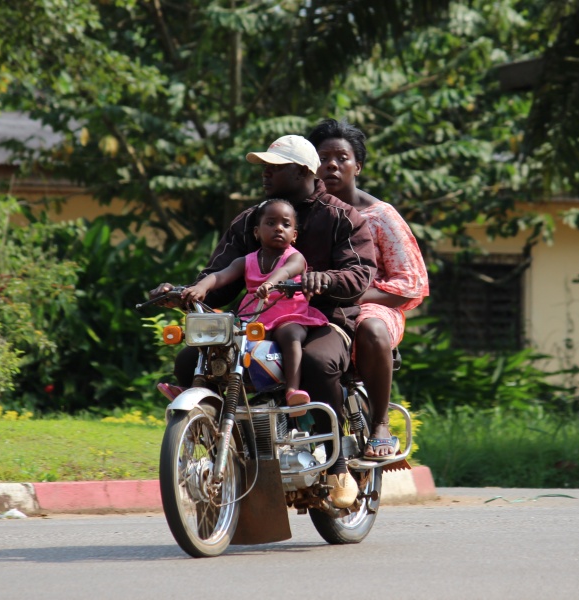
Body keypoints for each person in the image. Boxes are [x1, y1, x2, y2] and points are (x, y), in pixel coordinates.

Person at [151, 134, 376, 508]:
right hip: (257, 319)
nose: (264, 174)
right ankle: (228, 446)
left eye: (274, 167)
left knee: (317, 362)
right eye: (263, 168)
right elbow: (219, 276)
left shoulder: (342, 217)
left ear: (301, 171)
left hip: (323, 319)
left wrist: (324, 279)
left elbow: (360, 275)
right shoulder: (250, 220)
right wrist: (187, 292)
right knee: (191, 359)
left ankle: (337, 467)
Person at [308, 119, 429, 460]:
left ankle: (380, 425)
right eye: (323, 158)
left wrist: (351, 294)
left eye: (341, 158)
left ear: (357, 166)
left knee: (372, 328)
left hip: (372, 305)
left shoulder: (380, 215)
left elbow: (409, 285)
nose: (331, 165)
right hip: (312, 304)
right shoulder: (297, 213)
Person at [180, 198, 328, 415]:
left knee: (290, 335)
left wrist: (269, 283)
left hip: (290, 316)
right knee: (222, 341)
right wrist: (201, 287)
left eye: (286, 224)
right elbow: (220, 276)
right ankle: (200, 388)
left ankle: (293, 390)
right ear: (257, 232)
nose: (279, 228)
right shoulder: (246, 261)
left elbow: (286, 272)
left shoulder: (295, 258)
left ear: (294, 235)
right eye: (271, 223)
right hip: (255, 318)